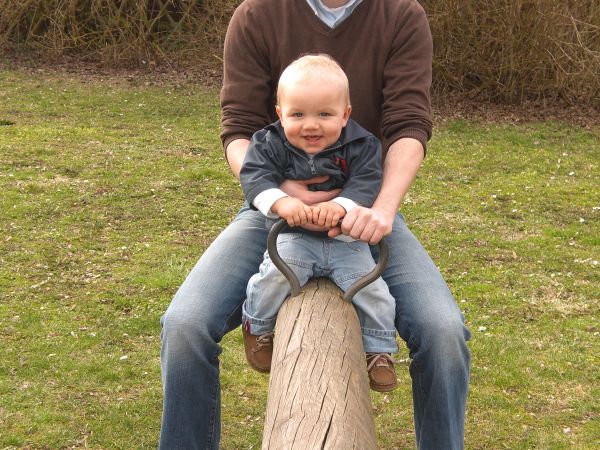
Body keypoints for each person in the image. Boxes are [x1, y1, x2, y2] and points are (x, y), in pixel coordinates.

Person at [159, 1, 471, 449]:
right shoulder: (257, 14)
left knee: (444, 333)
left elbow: (409, 125)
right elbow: (239, 128)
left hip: (365, 209)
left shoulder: (400, 15)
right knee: (184, 326)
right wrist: (281, 195)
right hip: (274, 212)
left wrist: (381, 210)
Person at [239, 54, 398, 392]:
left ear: (345, 115)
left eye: (324, 114)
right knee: (275, 275)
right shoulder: (268, 142)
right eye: (298, 115)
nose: (311, 126)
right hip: (293, 237)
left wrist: (340, 205)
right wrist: (282, 202)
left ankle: (379, 350)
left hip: (347, 240)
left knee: (373, 289)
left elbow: (368, 182)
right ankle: (258, 326)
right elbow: (254, 176)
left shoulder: (362, 144)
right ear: (280, 113)